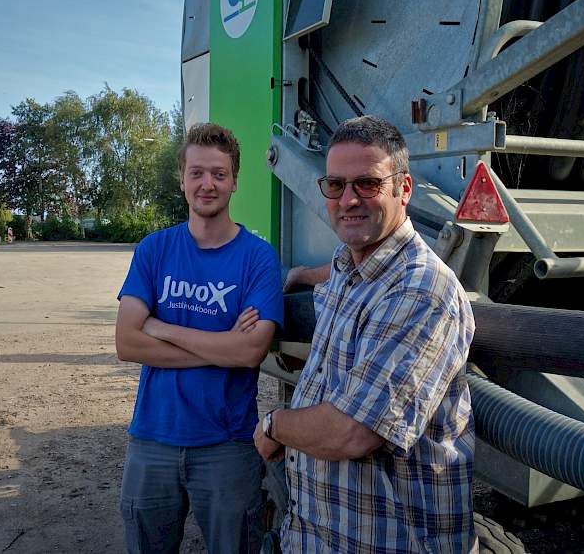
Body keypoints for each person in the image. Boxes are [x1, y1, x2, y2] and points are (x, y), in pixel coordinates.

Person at [254, 115, 477, 553]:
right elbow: (340, 270)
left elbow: (351, 433)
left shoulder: (421, 290)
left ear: (404, 189)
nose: (349, 199)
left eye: (368, 184)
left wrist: (275, 425)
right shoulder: (347, 266)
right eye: (336, 186)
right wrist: (299, 273)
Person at [115, 123, 284, 553]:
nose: (207, 184)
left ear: (234, 182)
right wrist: (222, 348)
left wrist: (164, 328)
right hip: (152, 438)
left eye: (219, 174)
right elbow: (127, 343)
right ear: (182, 179)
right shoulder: (154, 250)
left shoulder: (258, 257)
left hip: (226, 445)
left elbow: (250, 352)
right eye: (197, 173)